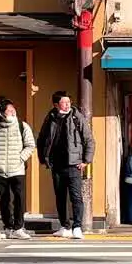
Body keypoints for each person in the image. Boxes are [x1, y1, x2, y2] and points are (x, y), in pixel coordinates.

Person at [37, 90, 95, 239]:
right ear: (56, 105)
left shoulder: (76, 117)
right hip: (56, 164)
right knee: (60, 196)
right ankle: (65, 226)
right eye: (64, 102)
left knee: (76, 197)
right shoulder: (50, 118)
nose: (67, 104)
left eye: (69, 101)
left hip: (74, 164)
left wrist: (86, 160)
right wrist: (43, 158)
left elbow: (89, 139)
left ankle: (77, 226)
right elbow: (42, 138)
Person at [0, 97, 36, 240]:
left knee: (19, 199)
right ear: (1, 113)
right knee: (3, 201)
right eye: (9, 110)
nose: (13, 112)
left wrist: (21, 158)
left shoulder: (22, 126)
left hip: (17, 169)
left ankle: (19, 228)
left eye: (13, 109)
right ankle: (8, 227)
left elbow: (30, 145)